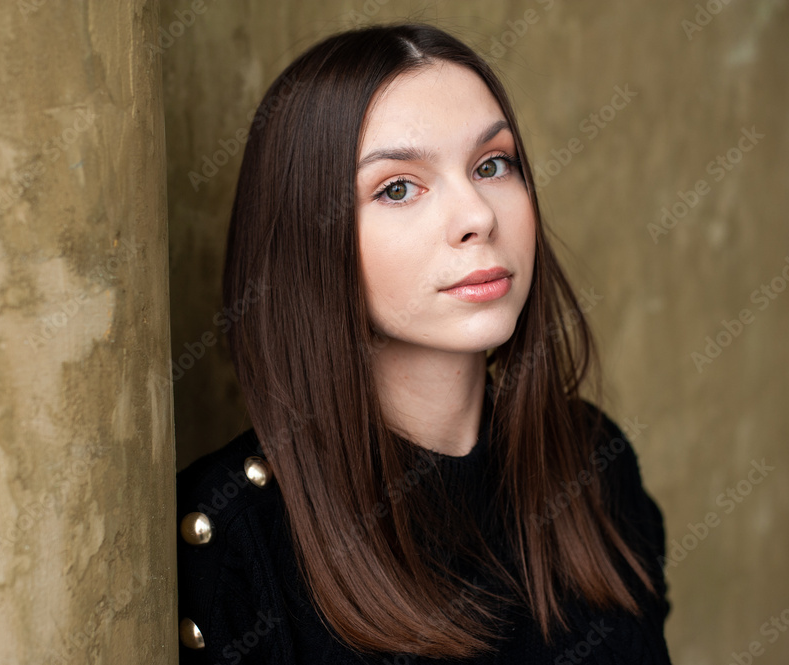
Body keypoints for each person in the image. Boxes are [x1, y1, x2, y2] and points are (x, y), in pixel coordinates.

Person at [175, 22, 671, 664]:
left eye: (492, 165)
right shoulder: (236, 534)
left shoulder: (592, 465)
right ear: (306, 240)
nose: (478, 216)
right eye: (398, 187)